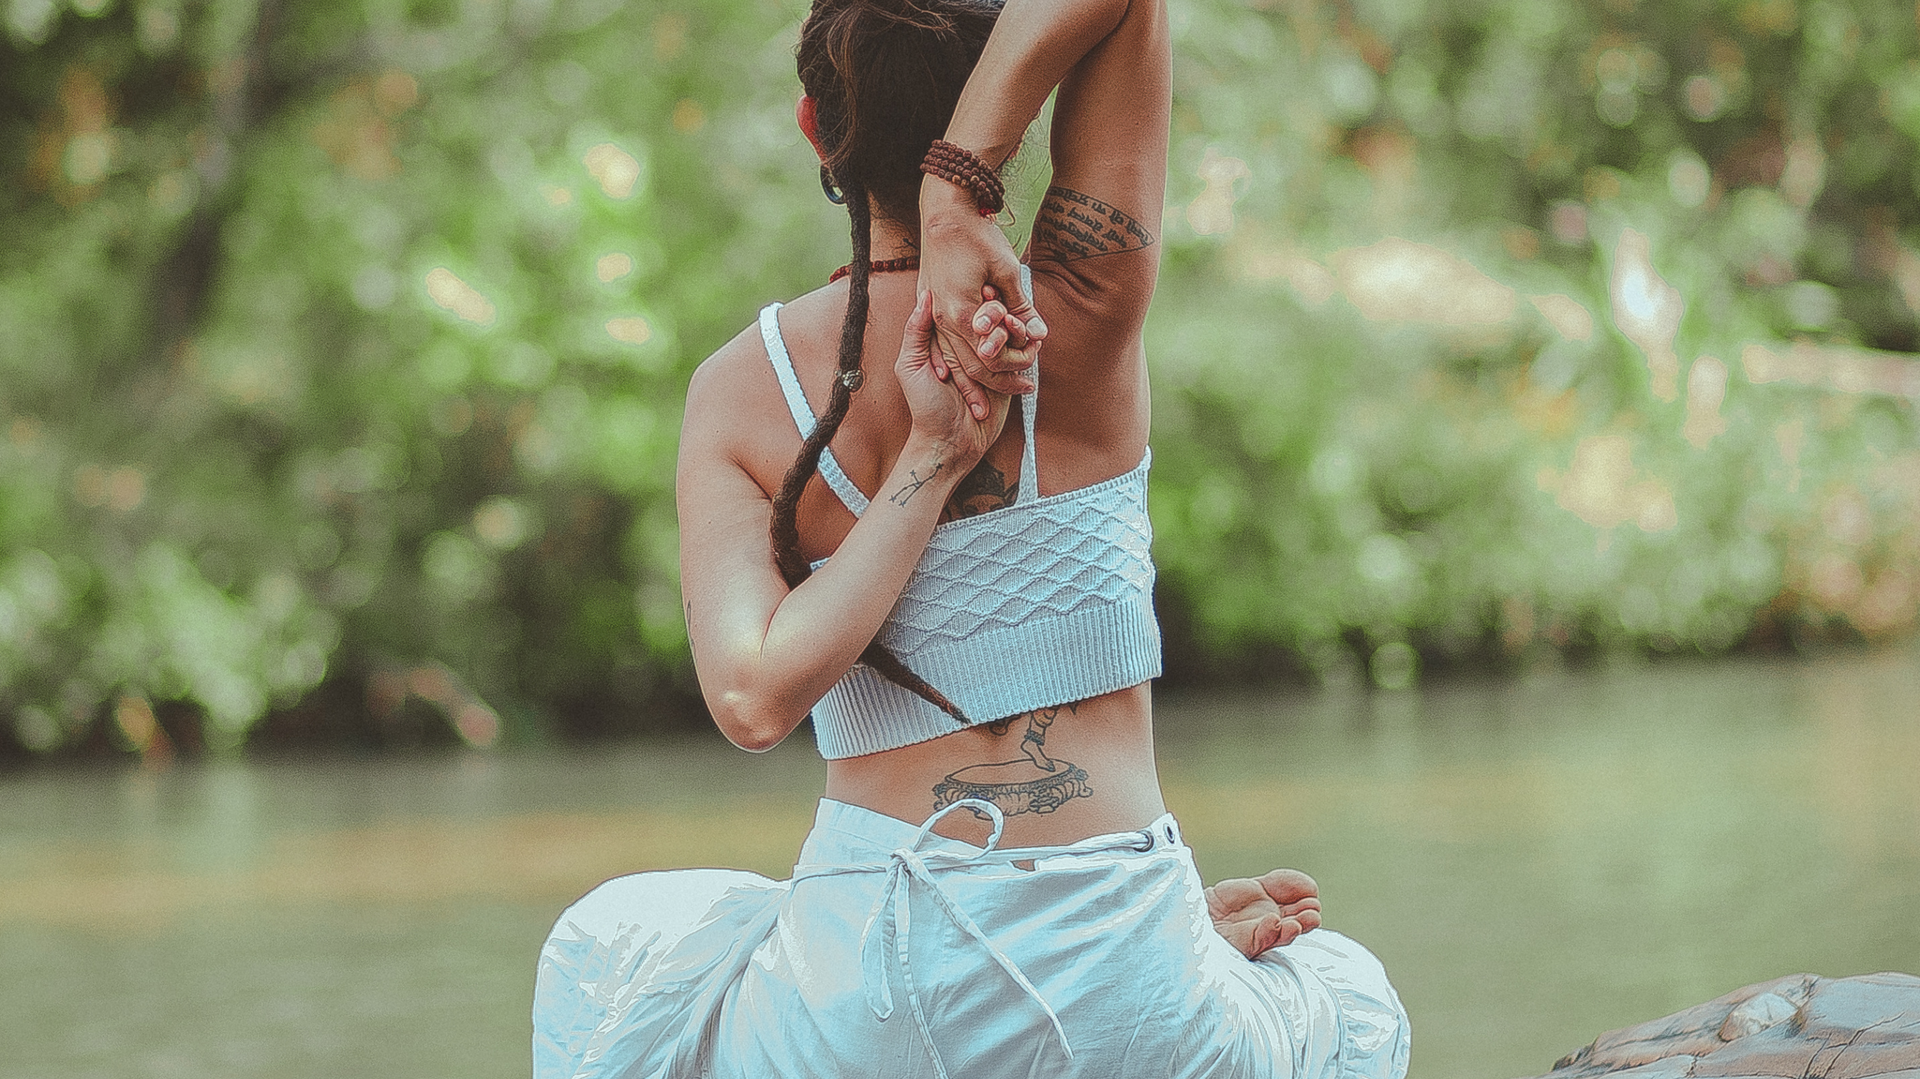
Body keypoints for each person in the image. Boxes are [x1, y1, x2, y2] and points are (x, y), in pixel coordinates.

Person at [532, 1, 1411, 1076]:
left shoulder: (740, 391)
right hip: (1121, 968)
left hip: (867, 988)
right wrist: (967, 175)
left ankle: (1164, 958)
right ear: (1024, 115)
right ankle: (1174, 960)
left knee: (614, 942)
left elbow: (753, 696)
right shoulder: (1081, 304)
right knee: (1348, 993)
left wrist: (921, 456)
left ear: (816, 128)